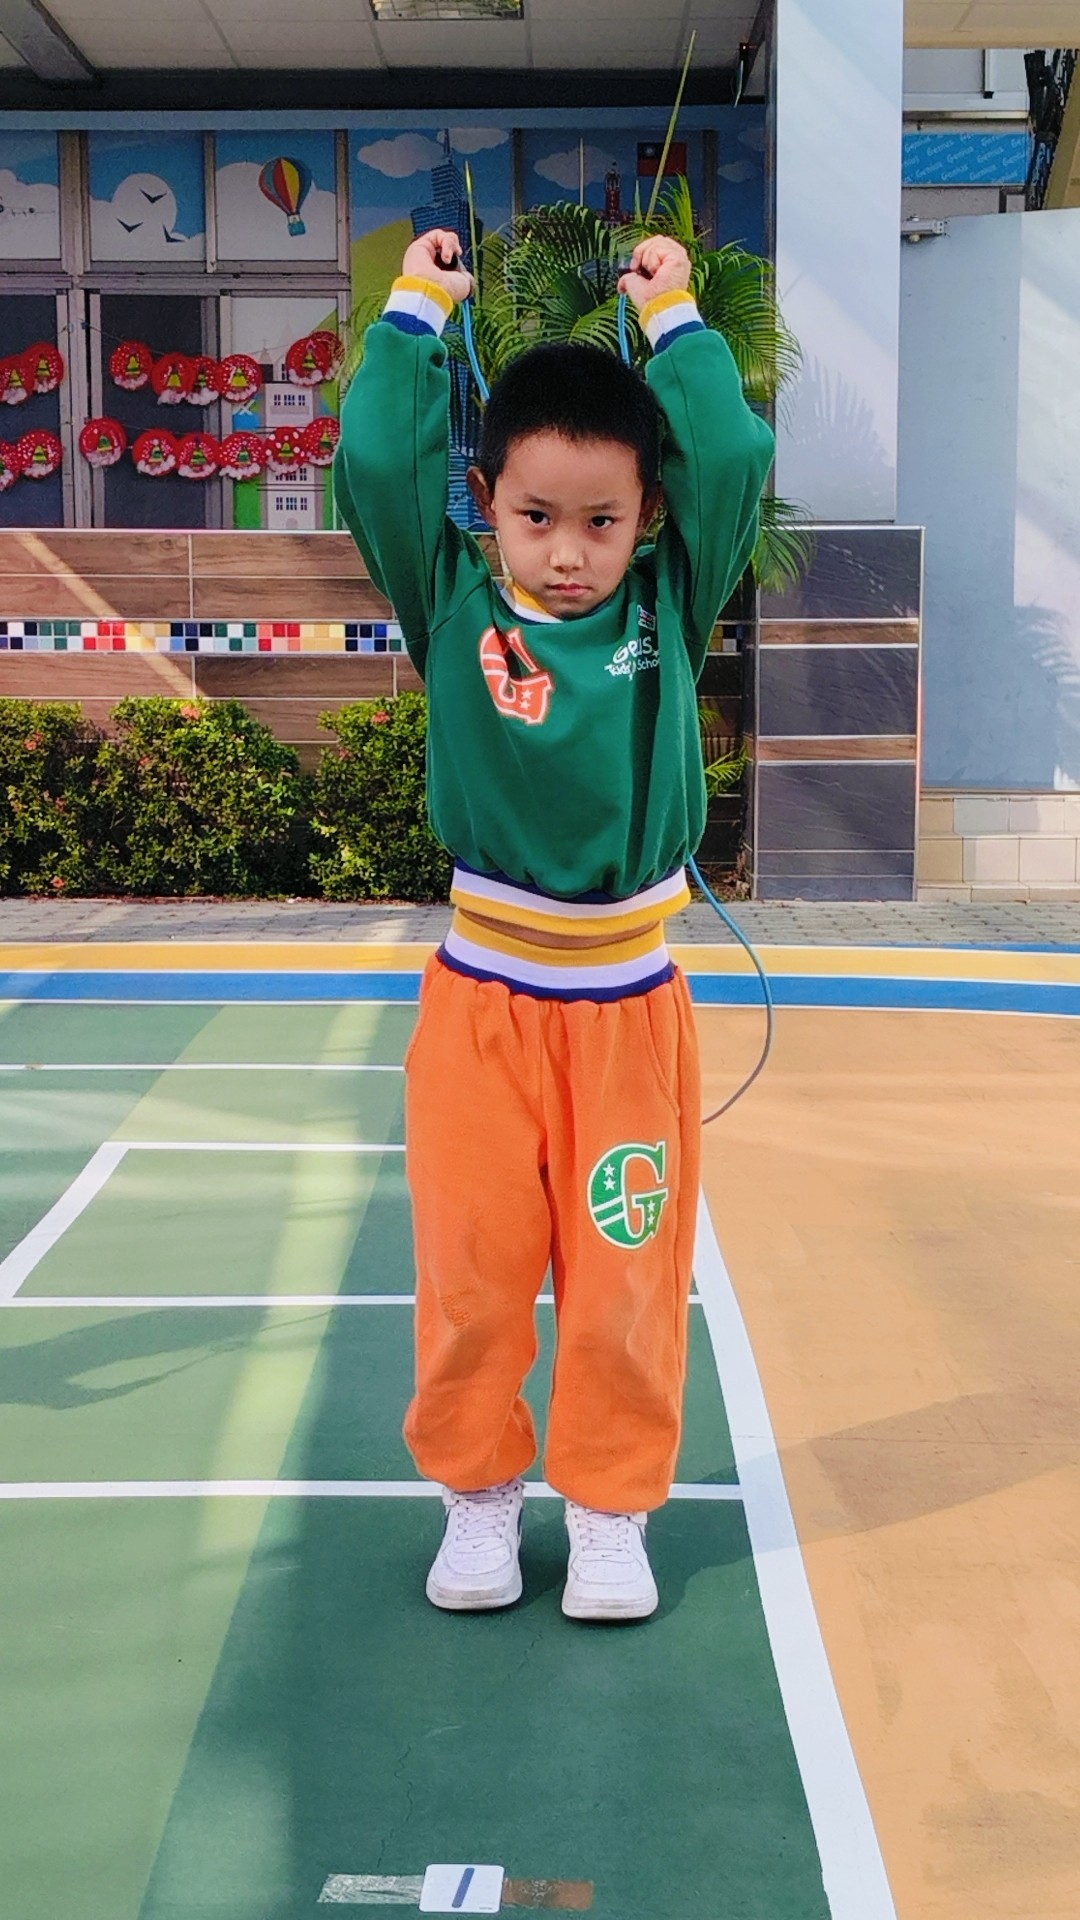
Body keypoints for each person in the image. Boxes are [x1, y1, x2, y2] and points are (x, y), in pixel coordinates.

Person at [334, 225, 774, 1622]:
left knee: (624, 1281)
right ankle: (476, 1496)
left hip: (629, 1012)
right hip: (481, 1007)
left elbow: (734, 459)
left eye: (601, 521)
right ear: (486, 504)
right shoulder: (450, 599)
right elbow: (372, 464)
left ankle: (608, 1512)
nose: (568, 553)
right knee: (471, 1274)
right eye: (536, 518)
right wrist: (417, 311)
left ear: (649, 519)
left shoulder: (671, 605)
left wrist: (677, 320)